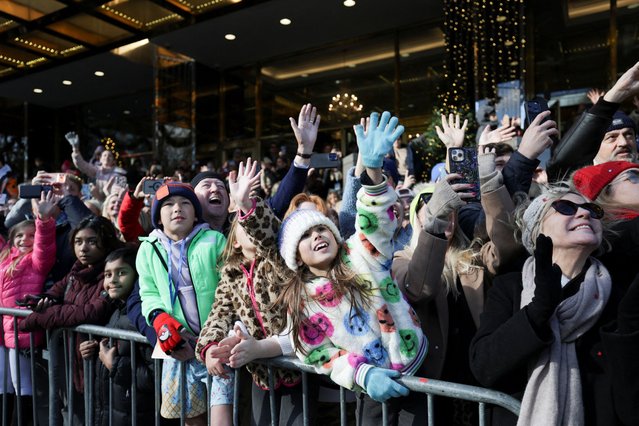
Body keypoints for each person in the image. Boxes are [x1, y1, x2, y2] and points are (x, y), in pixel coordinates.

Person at [276, 111, 427, 425]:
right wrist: (362, 373)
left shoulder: (360, 251)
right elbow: (316, 353)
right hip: (372, 389)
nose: (316, 236)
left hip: (420, 369)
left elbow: (375, 221)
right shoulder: (303, 299)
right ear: (296, 256)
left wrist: (372, 170)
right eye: (305, 236)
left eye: (321, 229)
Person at [468, 187, 630, 425]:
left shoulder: (618, 294)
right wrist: (538, 309)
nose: (585, 215)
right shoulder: (510, 287)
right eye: (566, 208)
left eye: (592, 210)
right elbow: (485, 367)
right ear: (537, 230)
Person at [196, 158, 310, 425]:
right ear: (234, 241)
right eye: (243, 227)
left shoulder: (276, 260)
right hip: (262, 376)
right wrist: (210, 347)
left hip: (299, 370)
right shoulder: (231, 274)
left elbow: (268, 234)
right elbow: (219, 313)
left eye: (252, 225)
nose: (251, 230)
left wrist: (248, 206)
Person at [136, 182, 228, 426]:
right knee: (190, 418)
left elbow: (229, 290)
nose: (178, 209)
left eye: (185, 203)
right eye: (168, 205)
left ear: (196, 212)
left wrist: (216, 336)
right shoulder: (147, 249)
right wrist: (160, 320)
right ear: (157, 217)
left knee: (222, 416)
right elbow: (149, 293)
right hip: (179, 346)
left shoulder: (215, 240)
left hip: (218, 347)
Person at [78, 247, 155, 426]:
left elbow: (154, 376)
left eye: (121, 273)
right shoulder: (114, 310)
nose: (112, 280)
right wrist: (94, 350)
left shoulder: (143, 318)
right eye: (107, 274)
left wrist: (115, 364)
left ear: (137, 276)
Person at [0, 192, 57, 425]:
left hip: (21, 331)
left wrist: (42, 220)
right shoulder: (5, 257)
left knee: (22, 386)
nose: (25, 239)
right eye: (20, 235)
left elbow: (44, 246)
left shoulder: (35, 261)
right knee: (4, 387)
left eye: (30, 235)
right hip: (4, 332)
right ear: (11, 239)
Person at [547, 61, 639, 180]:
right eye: (612, 137)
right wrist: (615, 96)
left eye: (628, 134)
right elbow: (560, 167)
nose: (623, 142)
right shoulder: (584, 188)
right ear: (593, 146)